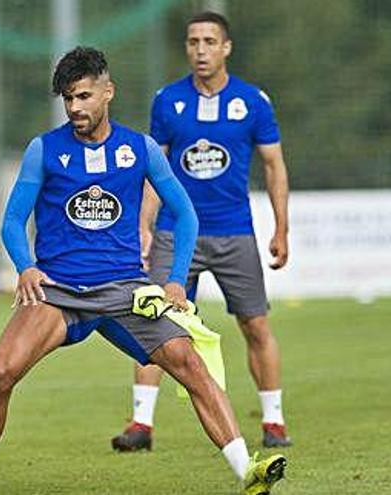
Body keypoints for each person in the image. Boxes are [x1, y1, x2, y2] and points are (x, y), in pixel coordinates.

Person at [0, 46, 285, 495]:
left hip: (126, 290)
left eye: (84, 96)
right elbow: (13, 220)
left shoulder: (140, 148)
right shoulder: (44, 150)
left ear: (108, 92)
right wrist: (26, 267)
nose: (75, 108)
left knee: (190, 363)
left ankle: (247, 471)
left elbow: (184, 214)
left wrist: (174, 279)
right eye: (68, 99)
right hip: (59, 292)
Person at [111, 11, 292, 453]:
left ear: (226, 47)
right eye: (193, 42)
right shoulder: (167, 101)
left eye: (210, 41)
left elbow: (274, 165)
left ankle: (273, 422)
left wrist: (282, 228)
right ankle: (141, 424)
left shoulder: (252, 102)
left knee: (254, 323)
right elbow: (156, 171)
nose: (201, 50)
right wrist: (144, 227)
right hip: (175, 233)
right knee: (152, 321)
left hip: (234, 231)